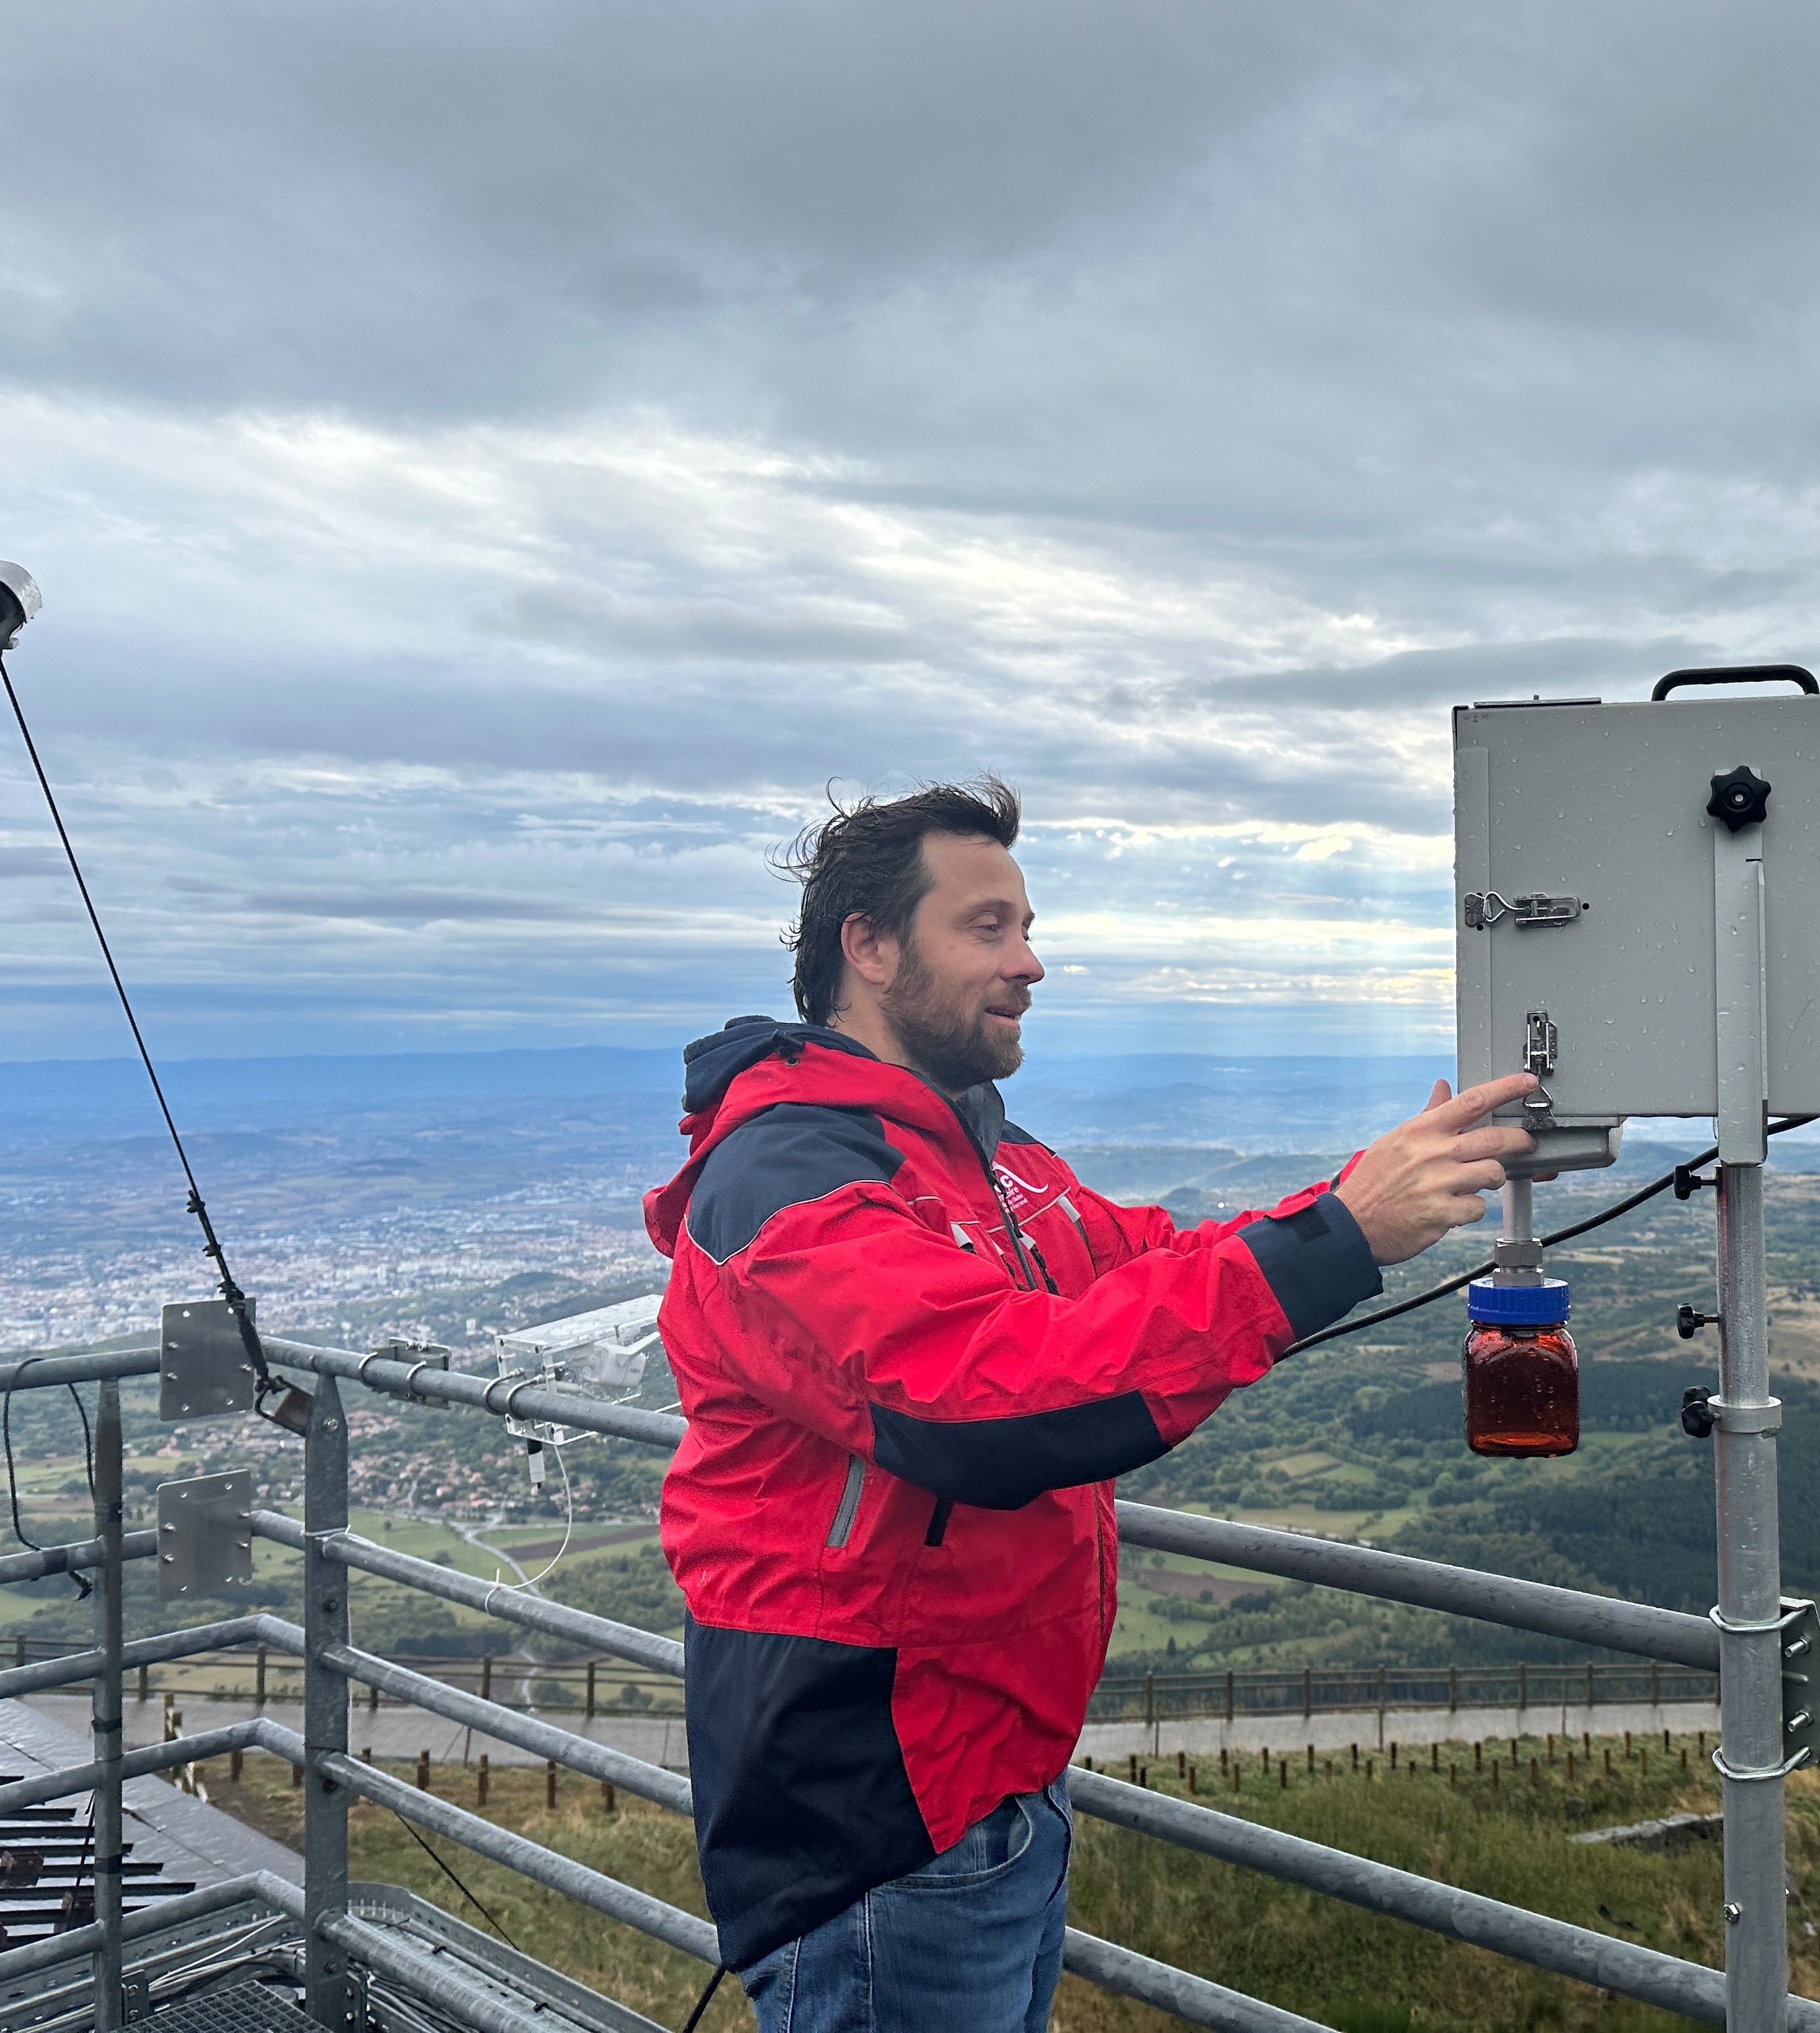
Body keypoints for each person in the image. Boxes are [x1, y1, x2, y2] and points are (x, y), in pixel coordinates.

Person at [644, 778, 1534, 2033]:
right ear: (870, 945)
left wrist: (1370, 1196)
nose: (1032, 962)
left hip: (990, 1771)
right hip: (877, 1808)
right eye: (989, 927)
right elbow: (979, 1405)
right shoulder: (786, 1176)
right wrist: (1339, 1237)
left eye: (1026, 926)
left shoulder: (987, 1159)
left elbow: (1153, 1260)